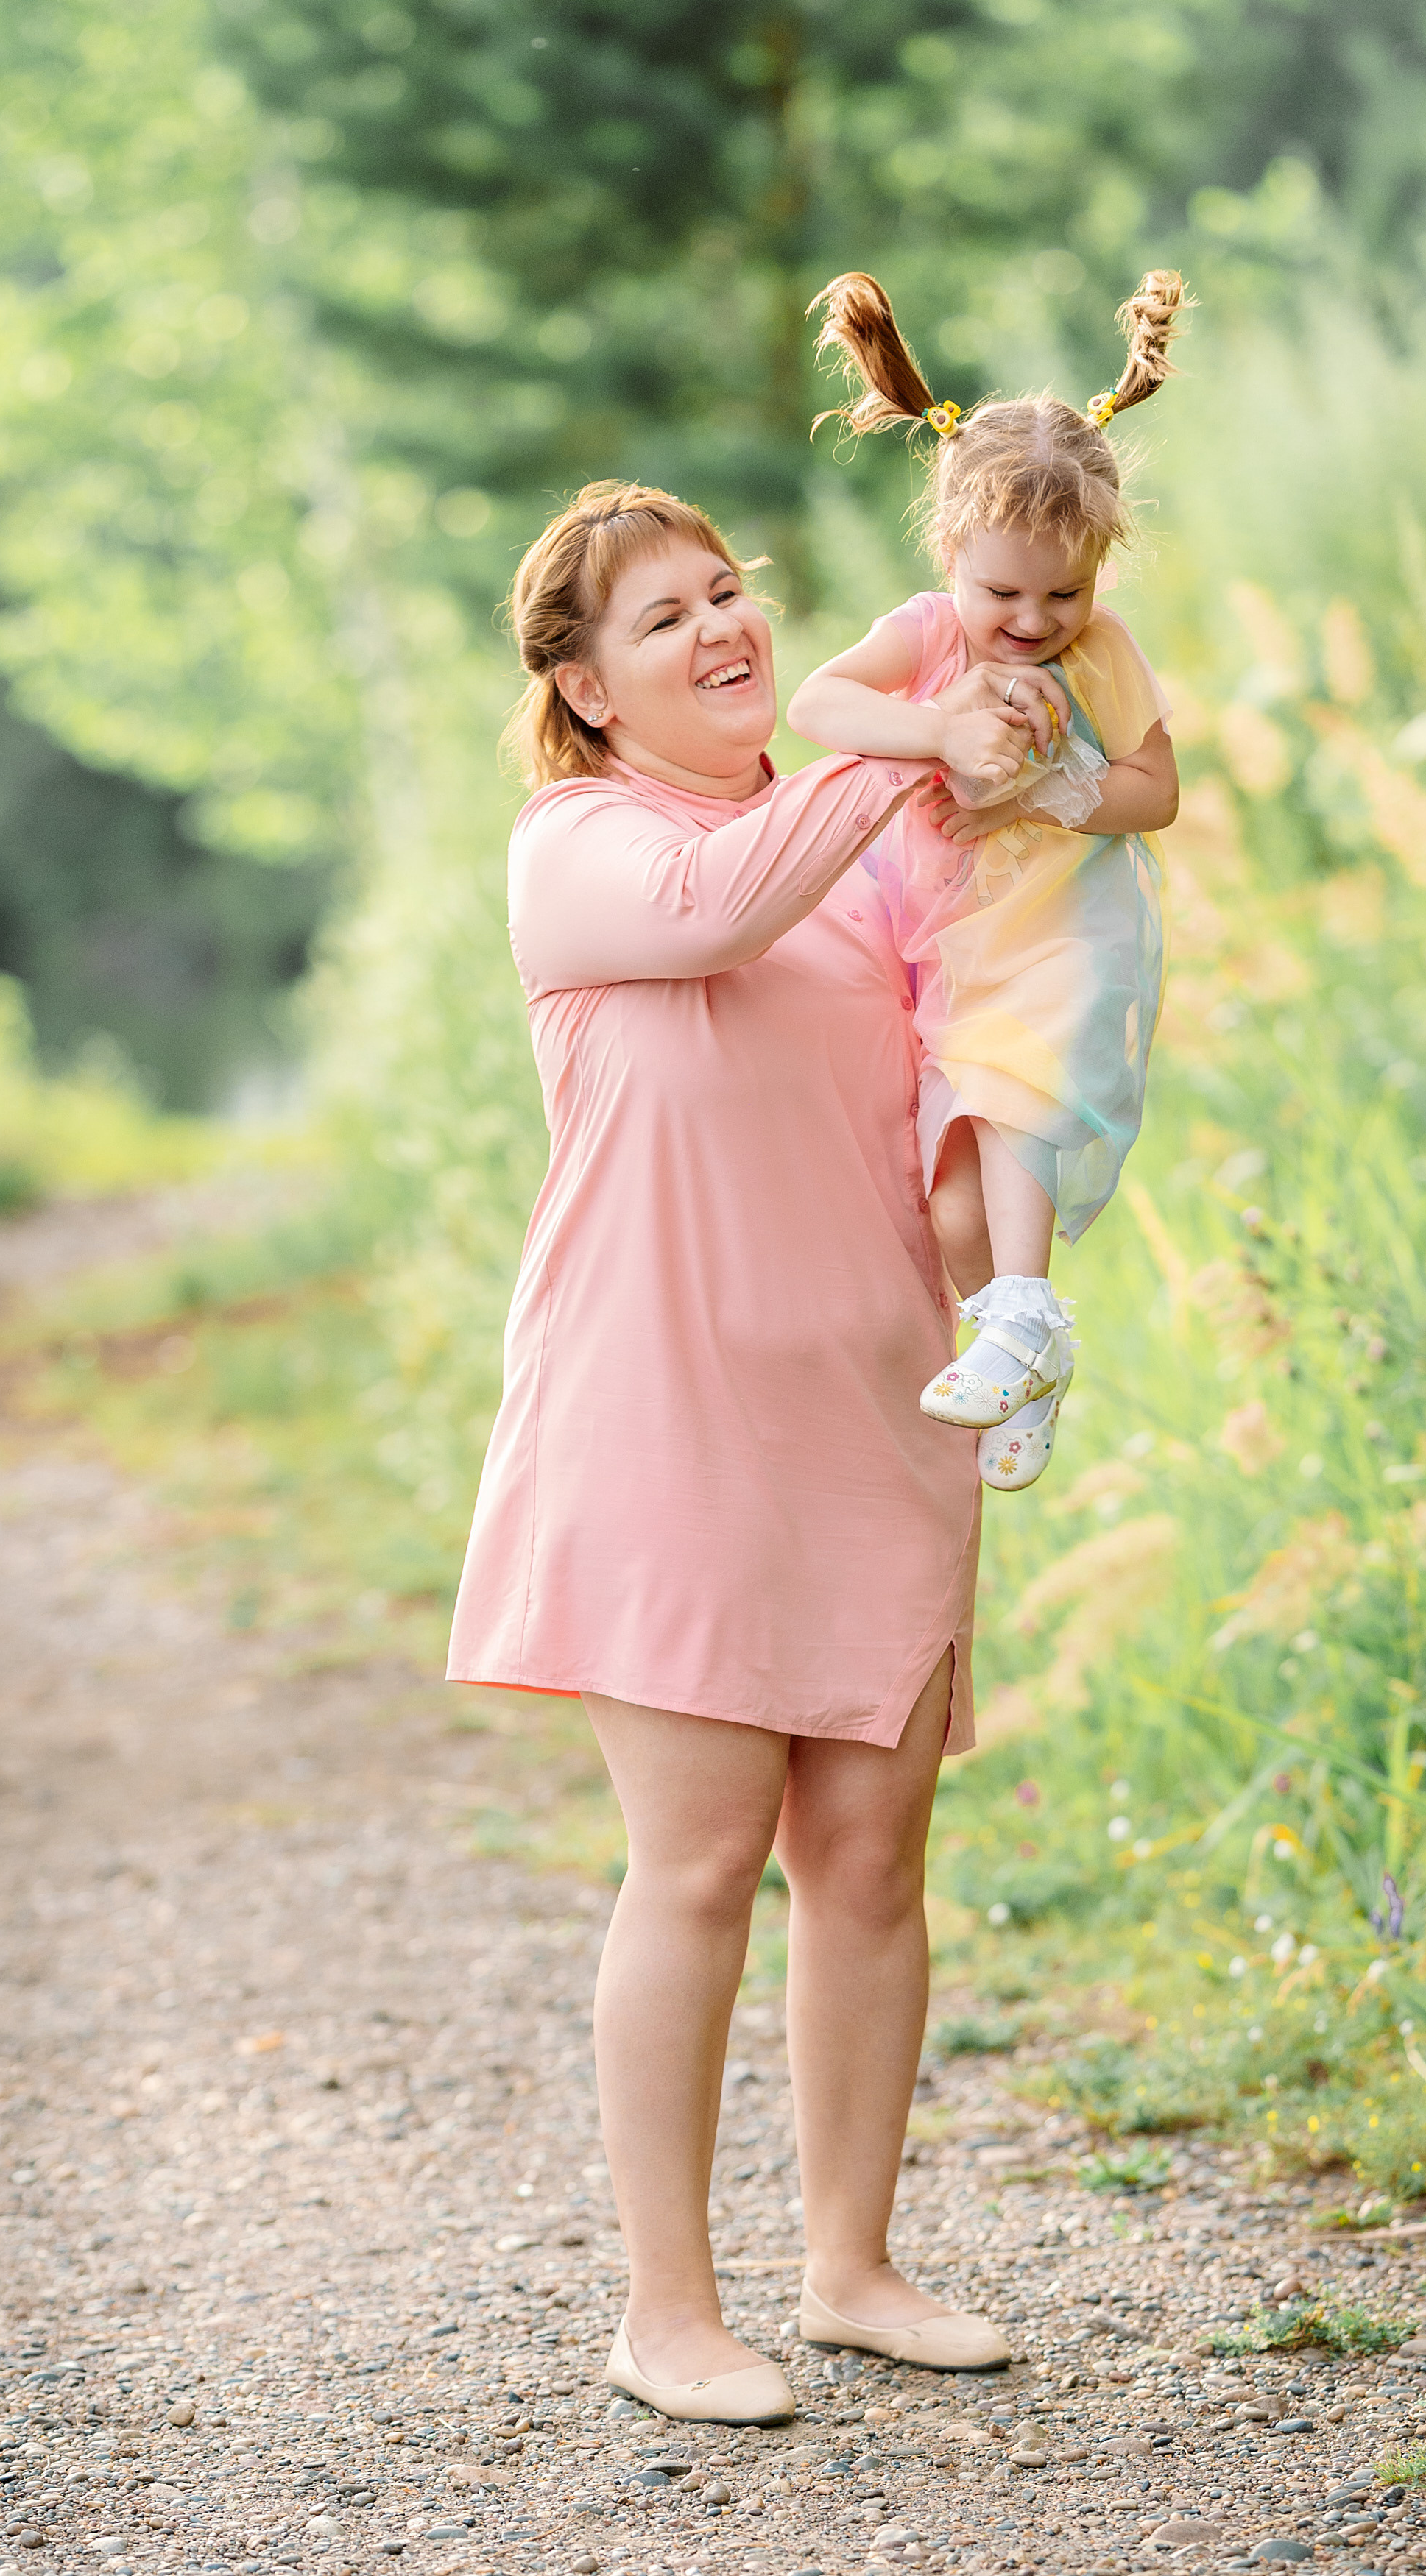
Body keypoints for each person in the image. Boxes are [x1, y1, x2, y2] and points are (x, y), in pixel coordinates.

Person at [447, 481, 1011, 2426]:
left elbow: (952, 1079)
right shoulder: (580, 845)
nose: (719, 627)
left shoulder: (859, 850)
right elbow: (722, 905)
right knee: (696, 1861)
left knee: (869, 1858)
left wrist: (1005, 1232)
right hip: (661, 1418)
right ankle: (666, 2310)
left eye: (727, 591)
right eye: (663, 616)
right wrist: (907, 731)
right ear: (586, 691)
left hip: (870, 1404)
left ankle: (851, 2264)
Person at [787, 269, 1187, 1491]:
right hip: (939, 942)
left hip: (1060, 933)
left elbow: (1155, 792)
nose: (1028, 620)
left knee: (1010, 1108)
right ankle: (1019, 1340)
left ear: (1098, 572)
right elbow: (817, 704)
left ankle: (1024, 1318)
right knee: (951, 1202)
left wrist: (1063, 784)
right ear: (950, 552)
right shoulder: (927, 631)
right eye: (1001, 591)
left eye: (1062, 594)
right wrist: (942, 731)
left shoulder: (1100, 655)